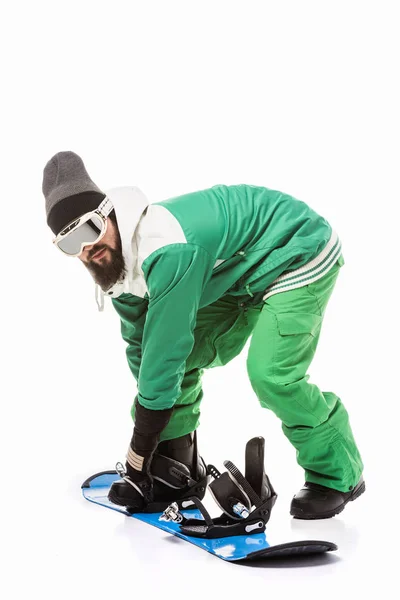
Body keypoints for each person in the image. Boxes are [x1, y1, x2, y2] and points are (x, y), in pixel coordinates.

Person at [43, 151, 364, 519]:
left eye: (89, 231)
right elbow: (144, 348)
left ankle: (337, 474)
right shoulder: (114, 269)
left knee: (271, 375)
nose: (86, 249)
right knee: (169, 364)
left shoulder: (166, 249)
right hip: (238, 271)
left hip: (294, 249)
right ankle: (177, 466)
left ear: (107, 215)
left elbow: (167, 348)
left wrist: (139, 448)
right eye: (70, 245)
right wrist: (151, 444)